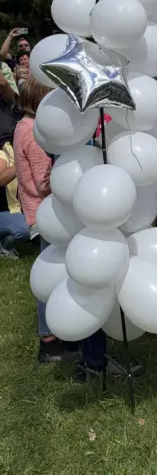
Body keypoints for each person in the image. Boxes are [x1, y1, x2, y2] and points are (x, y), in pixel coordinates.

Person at [13, 77, 68, 362]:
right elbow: (42, 182)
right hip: (44, 213)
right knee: (50, 276)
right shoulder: (34, 133)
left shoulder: (23, 126)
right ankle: (49, 340)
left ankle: (59, 333)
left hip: (40, 211)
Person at [0, 129, 28, 257]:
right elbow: (1, 179)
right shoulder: (4, 154)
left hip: (22, 209)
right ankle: (4, 247)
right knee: (25, 229)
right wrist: (20, 163)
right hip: (4, 210)